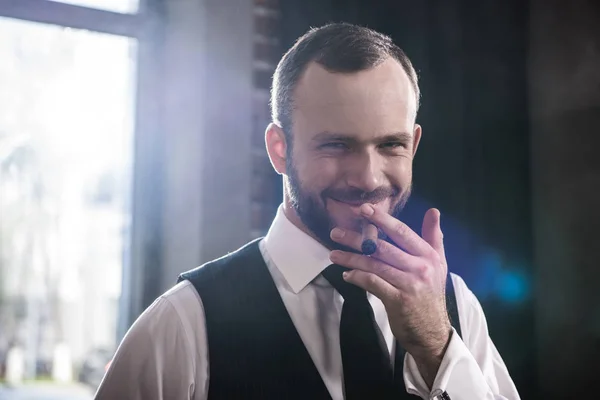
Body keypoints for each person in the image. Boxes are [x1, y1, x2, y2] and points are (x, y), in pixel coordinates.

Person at [95, 23, 520, 400]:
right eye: (337, 145)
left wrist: (436, 346)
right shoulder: (183, 324)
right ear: (279, 150)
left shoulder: (455, 307)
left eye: (391, 145)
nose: (368, 177)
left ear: (414, 144)